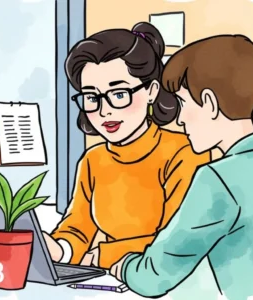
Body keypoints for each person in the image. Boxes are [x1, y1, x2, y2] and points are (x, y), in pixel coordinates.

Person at [42, 22, 210, 270]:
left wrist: (101, 256)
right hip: (109, 280)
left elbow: (175, 243)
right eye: (91, 97)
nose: (104, 110)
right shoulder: (94, 159)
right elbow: (78, 227)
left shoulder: (184, 153)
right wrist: (59, 248)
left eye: (119, 94)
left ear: (152, 91)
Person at [110, 34, 253, 300]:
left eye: (182, 104)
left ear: (210, 104)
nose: (179, 119)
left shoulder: (218, 179)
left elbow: (153, 277)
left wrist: (124, 268)